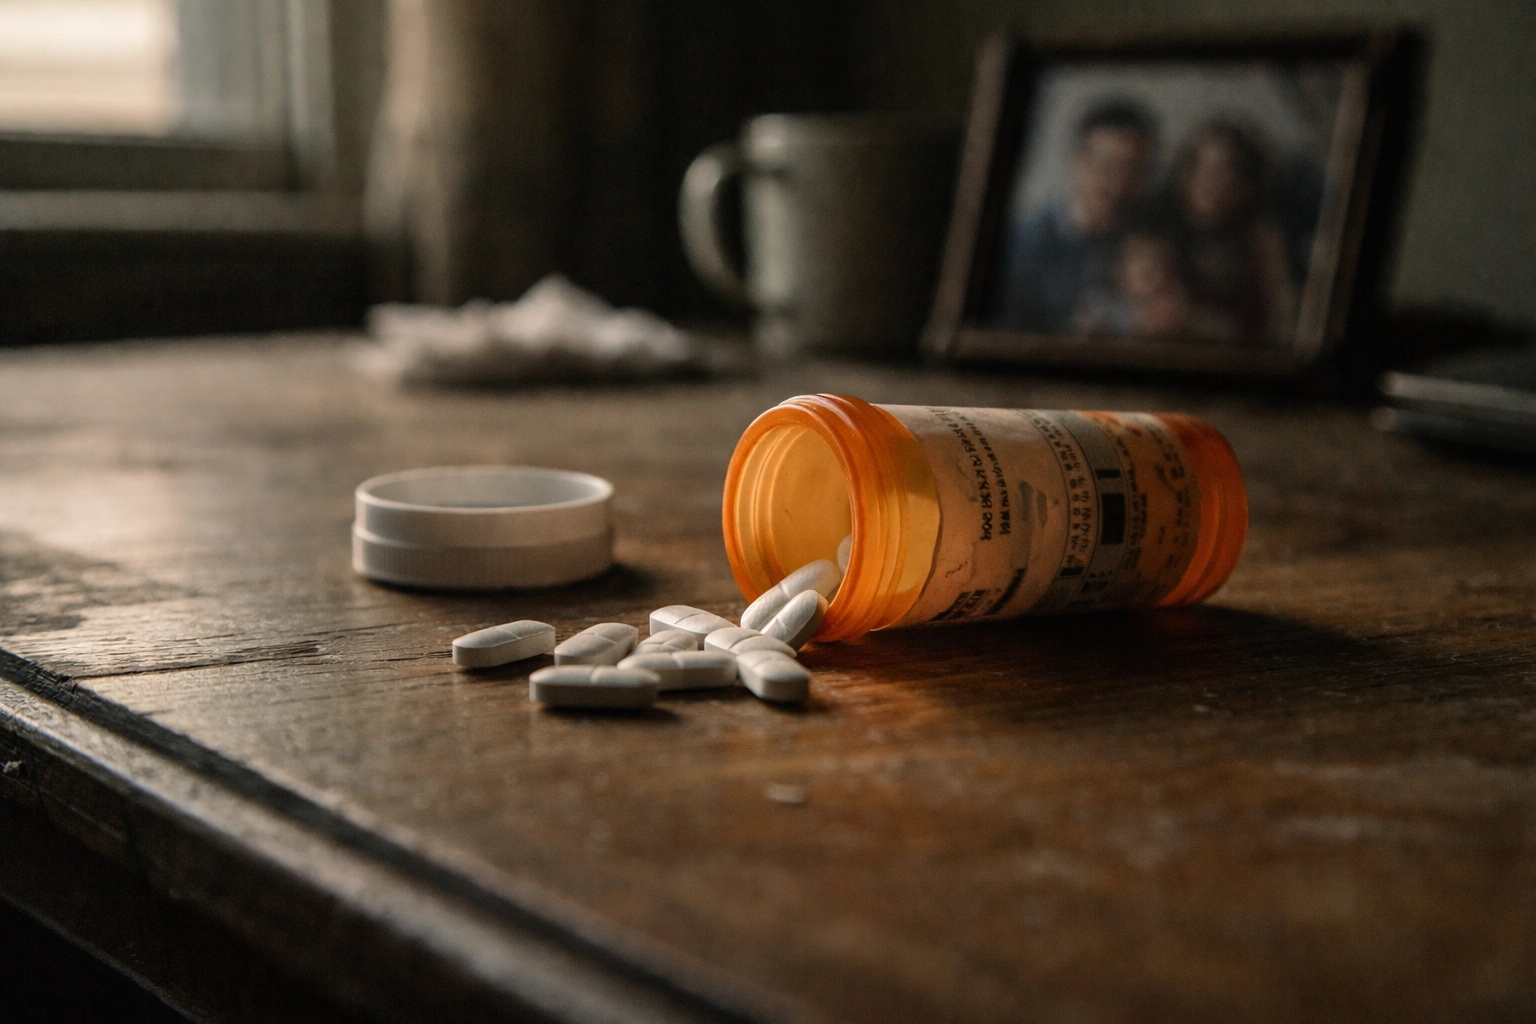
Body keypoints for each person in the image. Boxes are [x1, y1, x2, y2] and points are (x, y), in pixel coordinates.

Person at [994, 100, 1157, 333]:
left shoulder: (1147, 242)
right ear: (1078, 163)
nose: (1120, 184)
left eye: (1134, 169)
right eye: (1108, 166)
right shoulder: (1023, 243)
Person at [1166, 120, 1297, 346]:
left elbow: (1283, 320)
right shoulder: (1159, 231)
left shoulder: (1261, 241)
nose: (1208, 181)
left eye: (1224, 170)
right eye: (1200, 167)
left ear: (1245, 185)